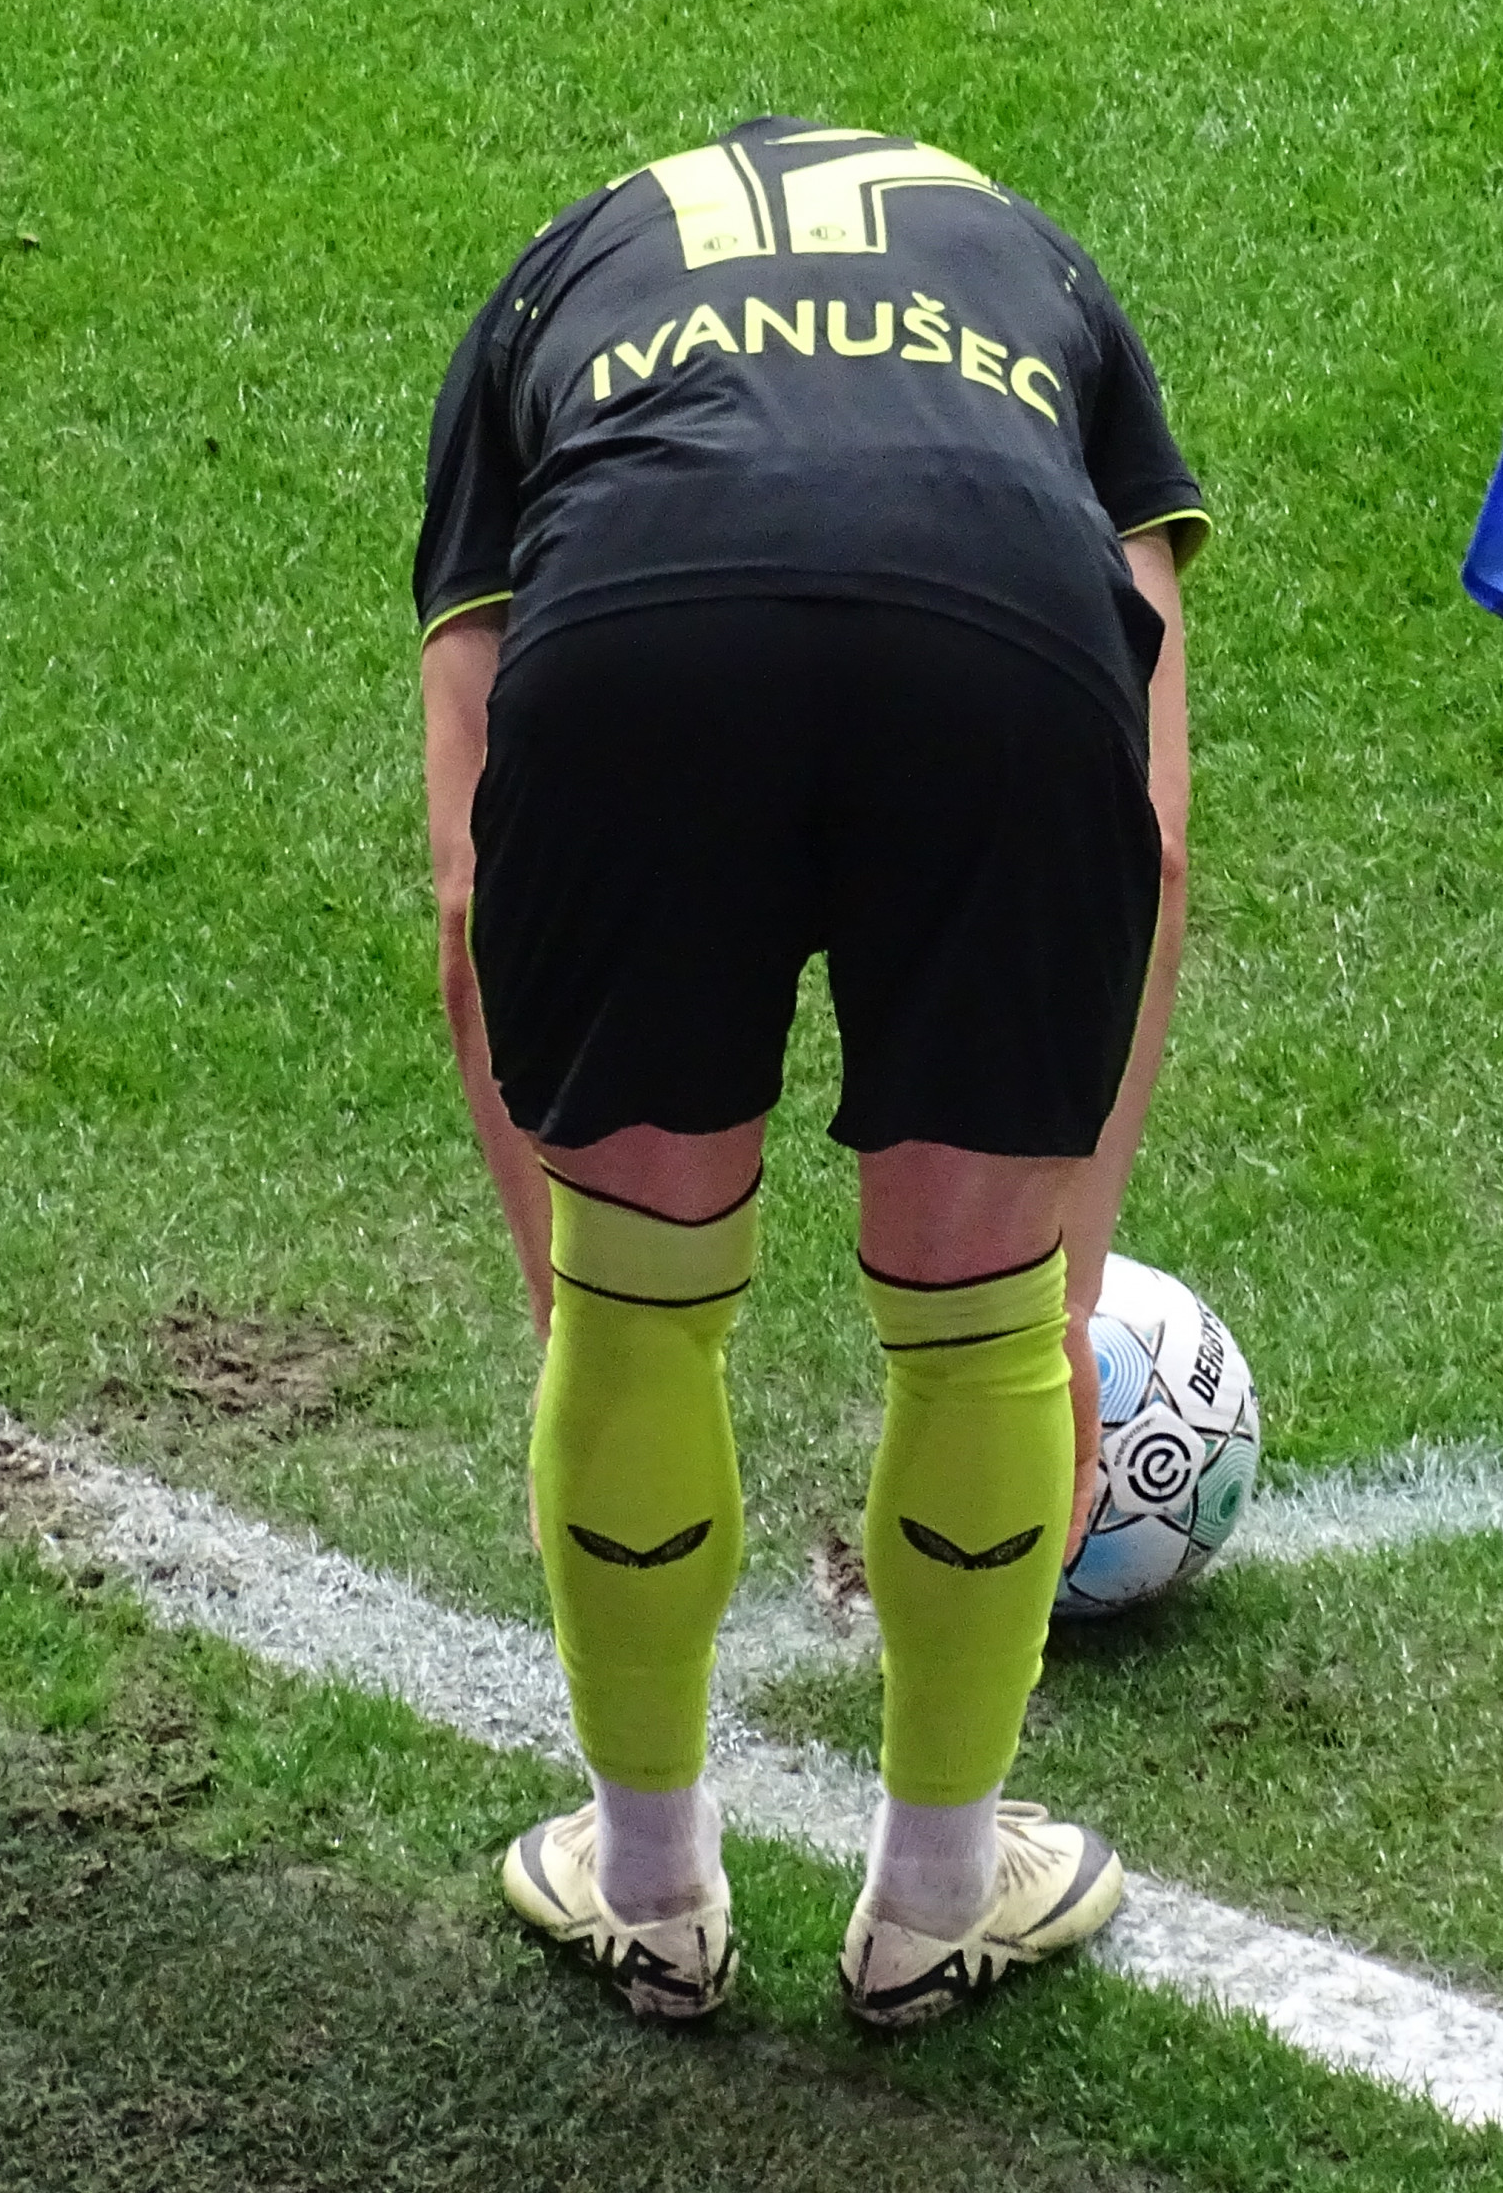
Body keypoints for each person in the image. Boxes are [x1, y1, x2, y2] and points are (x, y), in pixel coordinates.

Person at [415, 117, 1203, 2029]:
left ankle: (649, 1885)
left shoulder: (539, 301)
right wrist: (1061, 1302)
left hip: (644, 639)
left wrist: (573, 1313)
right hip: (999, 640)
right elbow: (1157, 835)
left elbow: (470, 878)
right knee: (976, 1324)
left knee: (638, 1305)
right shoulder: (1060, 289)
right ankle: (937, 1899)